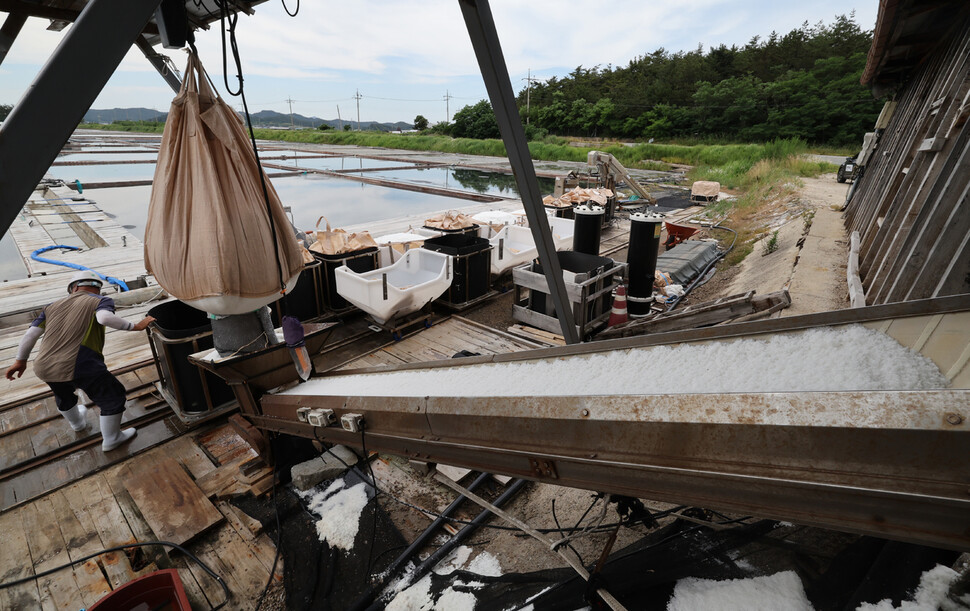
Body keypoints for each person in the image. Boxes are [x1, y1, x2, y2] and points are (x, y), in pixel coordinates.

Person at [5, 270, 155, 451]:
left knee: (63, 395)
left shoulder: (51, 306)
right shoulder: (100, 301)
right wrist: (136, 326)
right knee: (111, 395)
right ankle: (112, 438)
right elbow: (105, 318)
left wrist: (20, 361)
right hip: (82, 363)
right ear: (97, 288)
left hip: (45, 366)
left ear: (73, 288)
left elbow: (30, 334)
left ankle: (78, 425)